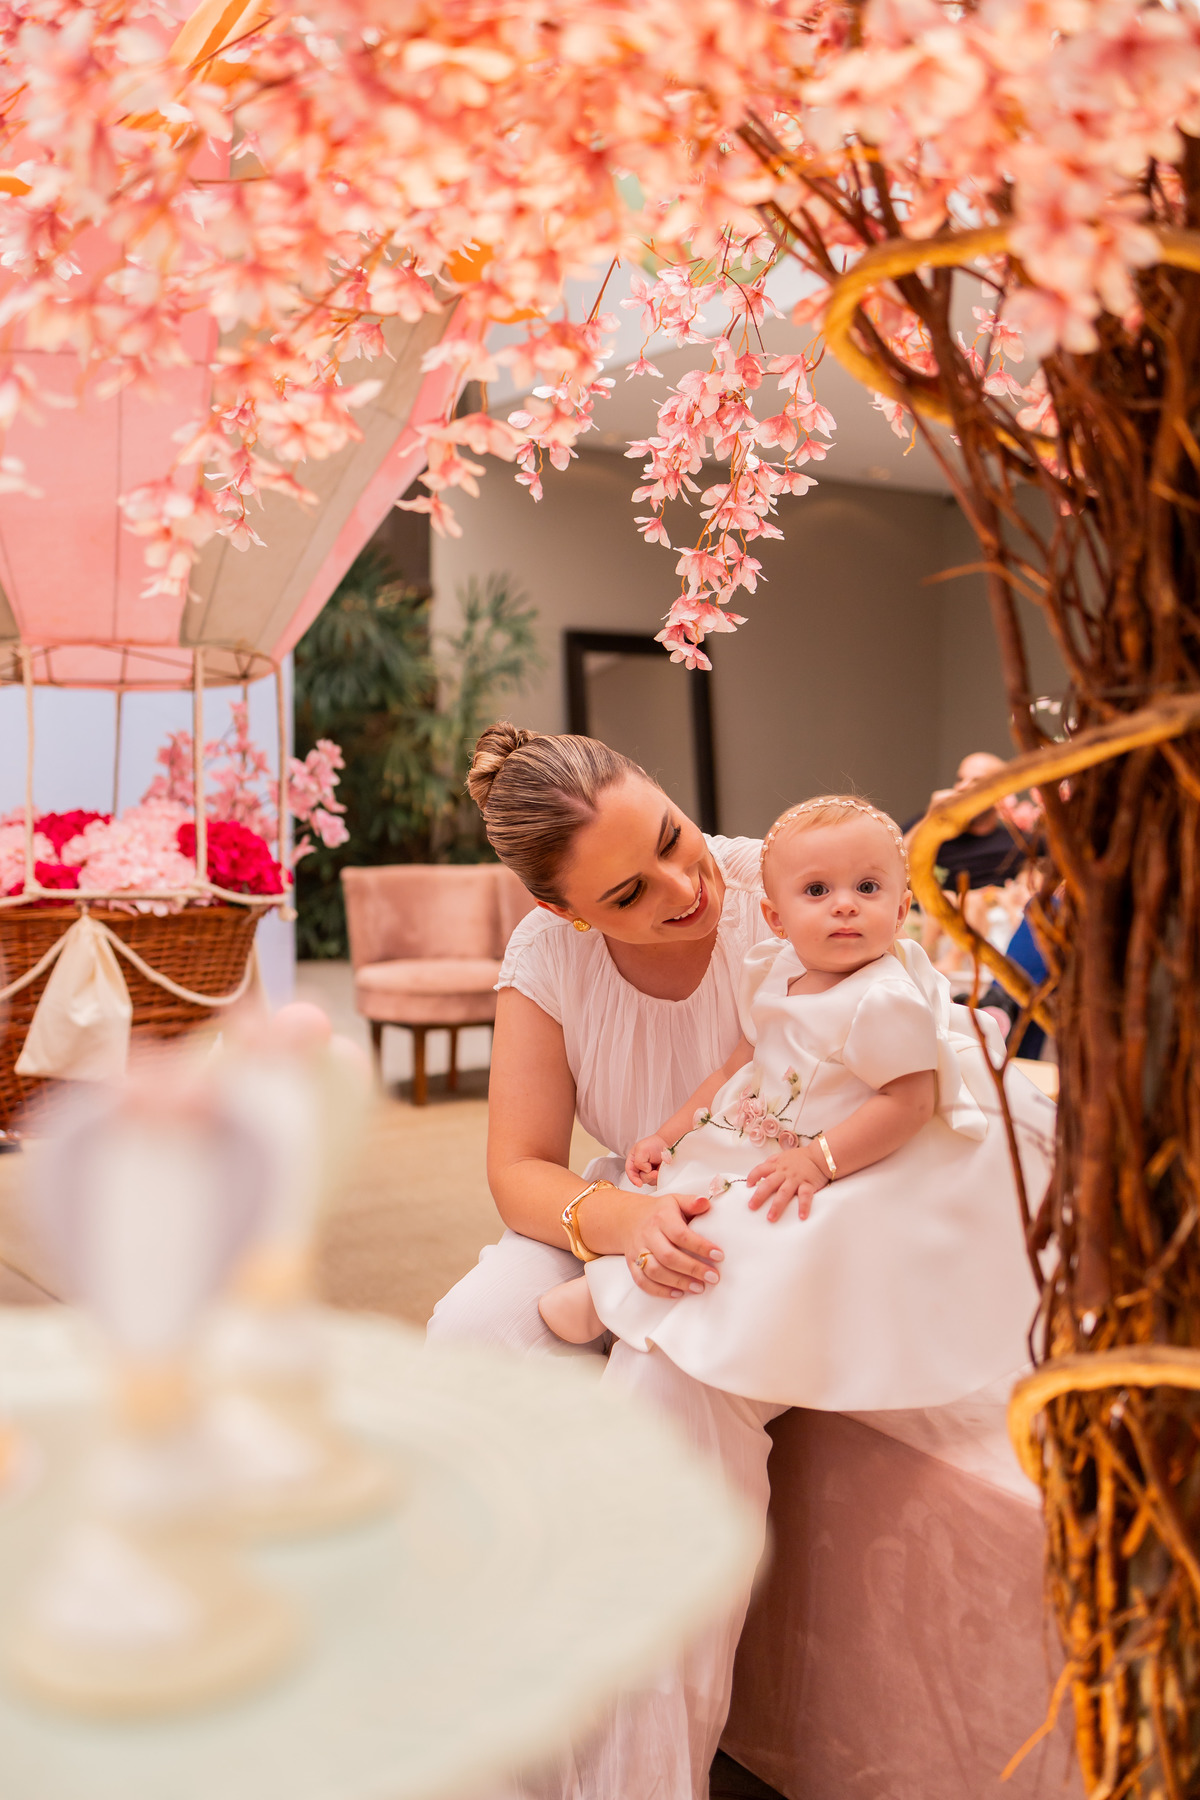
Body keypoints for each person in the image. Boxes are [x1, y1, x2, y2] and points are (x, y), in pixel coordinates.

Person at [427, 723, 777, 1800]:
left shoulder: (784, 884)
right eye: (629, 893)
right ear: (565, 912)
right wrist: (625, 1224)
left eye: (675, 836)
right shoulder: (547, 956)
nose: (685, 886)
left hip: (784, 1214)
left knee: (666, 1392)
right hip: (629, 1208)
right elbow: (520, 1169)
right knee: (473, 1336)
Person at [538, 798, 1052, 1419]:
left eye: (868, 887)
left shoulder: (884, 999)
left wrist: (821, 1160)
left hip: (848, 1148)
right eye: (818, 890)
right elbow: (736, 1066)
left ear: (902, 907)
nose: (845, 904)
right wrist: (668, 1134)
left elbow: (909, 1102)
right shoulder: (774, 970)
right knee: (685, 1194)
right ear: (775, 918)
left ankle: (607, 1300)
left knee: (755, 1231)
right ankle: (617, 1292)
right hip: (765, 1130)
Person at [903, 750, 1026, 890]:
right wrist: (929, 819)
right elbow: (893, 867)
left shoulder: (1017, 844)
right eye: (960, 780)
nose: (962, 787)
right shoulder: (929, 825)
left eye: (977, 781)